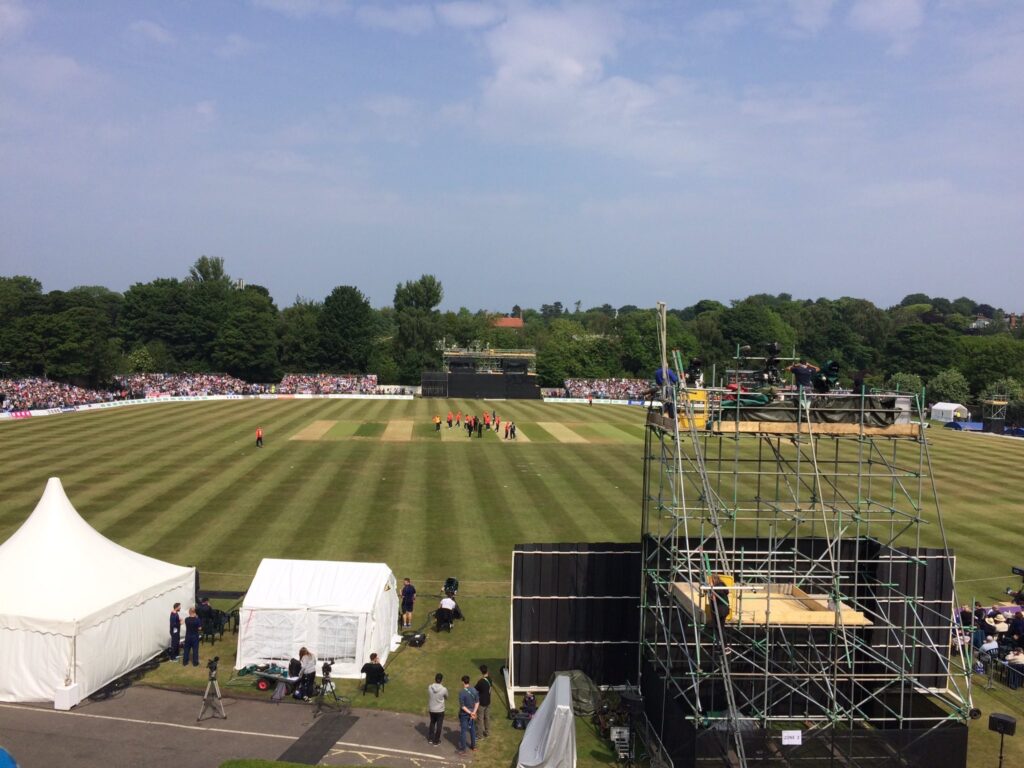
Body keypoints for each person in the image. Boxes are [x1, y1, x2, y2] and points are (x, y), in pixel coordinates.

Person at [457, 675, 479, 753]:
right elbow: (477, 702)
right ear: (468, 681)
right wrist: (474, 712)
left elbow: (462, 706)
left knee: (463, 731)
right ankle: (473, 746)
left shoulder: (462, 692)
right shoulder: (474, 690)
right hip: (472, 715)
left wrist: (470, 713)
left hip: (464, 714)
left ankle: (463, 749)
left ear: (463, 682)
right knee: (472, 730)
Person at [427, 673, 448, 746]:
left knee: (432, 722)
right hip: (440, 710)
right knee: (439, 725)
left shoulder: (430, 687)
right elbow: (446, 697)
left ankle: (430, 738)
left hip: (432, 709)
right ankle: (436, 741)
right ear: (441, 680)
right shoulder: (444, 689)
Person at [475, 665, 492, 738]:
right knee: (487, 717)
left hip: (481, 702)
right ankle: (487, 732)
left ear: (481, 672)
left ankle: (480, 735)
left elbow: (475, 690)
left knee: (480, 719)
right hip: (488, 701)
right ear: (487, 671)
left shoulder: (481, 682)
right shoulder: (490, 679)